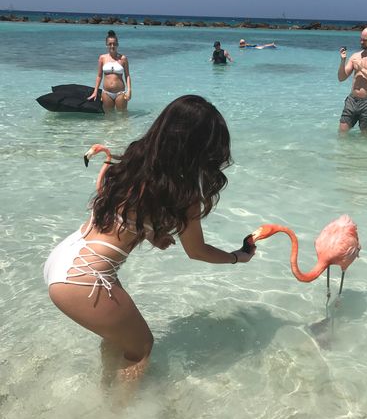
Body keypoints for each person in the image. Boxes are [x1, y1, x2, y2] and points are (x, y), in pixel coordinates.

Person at [44, 95, 256, 380]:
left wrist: (152, 233)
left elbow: (123, 213)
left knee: (121, 340)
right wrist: (236, 257)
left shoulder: (134, 160)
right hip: (83, 276)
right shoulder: (184, 193)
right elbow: (197, 251)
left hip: (68, 254)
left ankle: (105, 395)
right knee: (142, 348)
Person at [88, 29, 131, 112]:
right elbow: (99, 76)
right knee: (108, 117)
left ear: (117, 44)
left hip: (120, 93)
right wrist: (95, 91)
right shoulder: (102, 58)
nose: (112, 46)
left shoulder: (123, 59)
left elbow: (127, 75)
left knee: (123, 116)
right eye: (110, 44)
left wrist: (129, 90)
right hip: (106, 93)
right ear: (106, 45)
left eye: (114, 44)